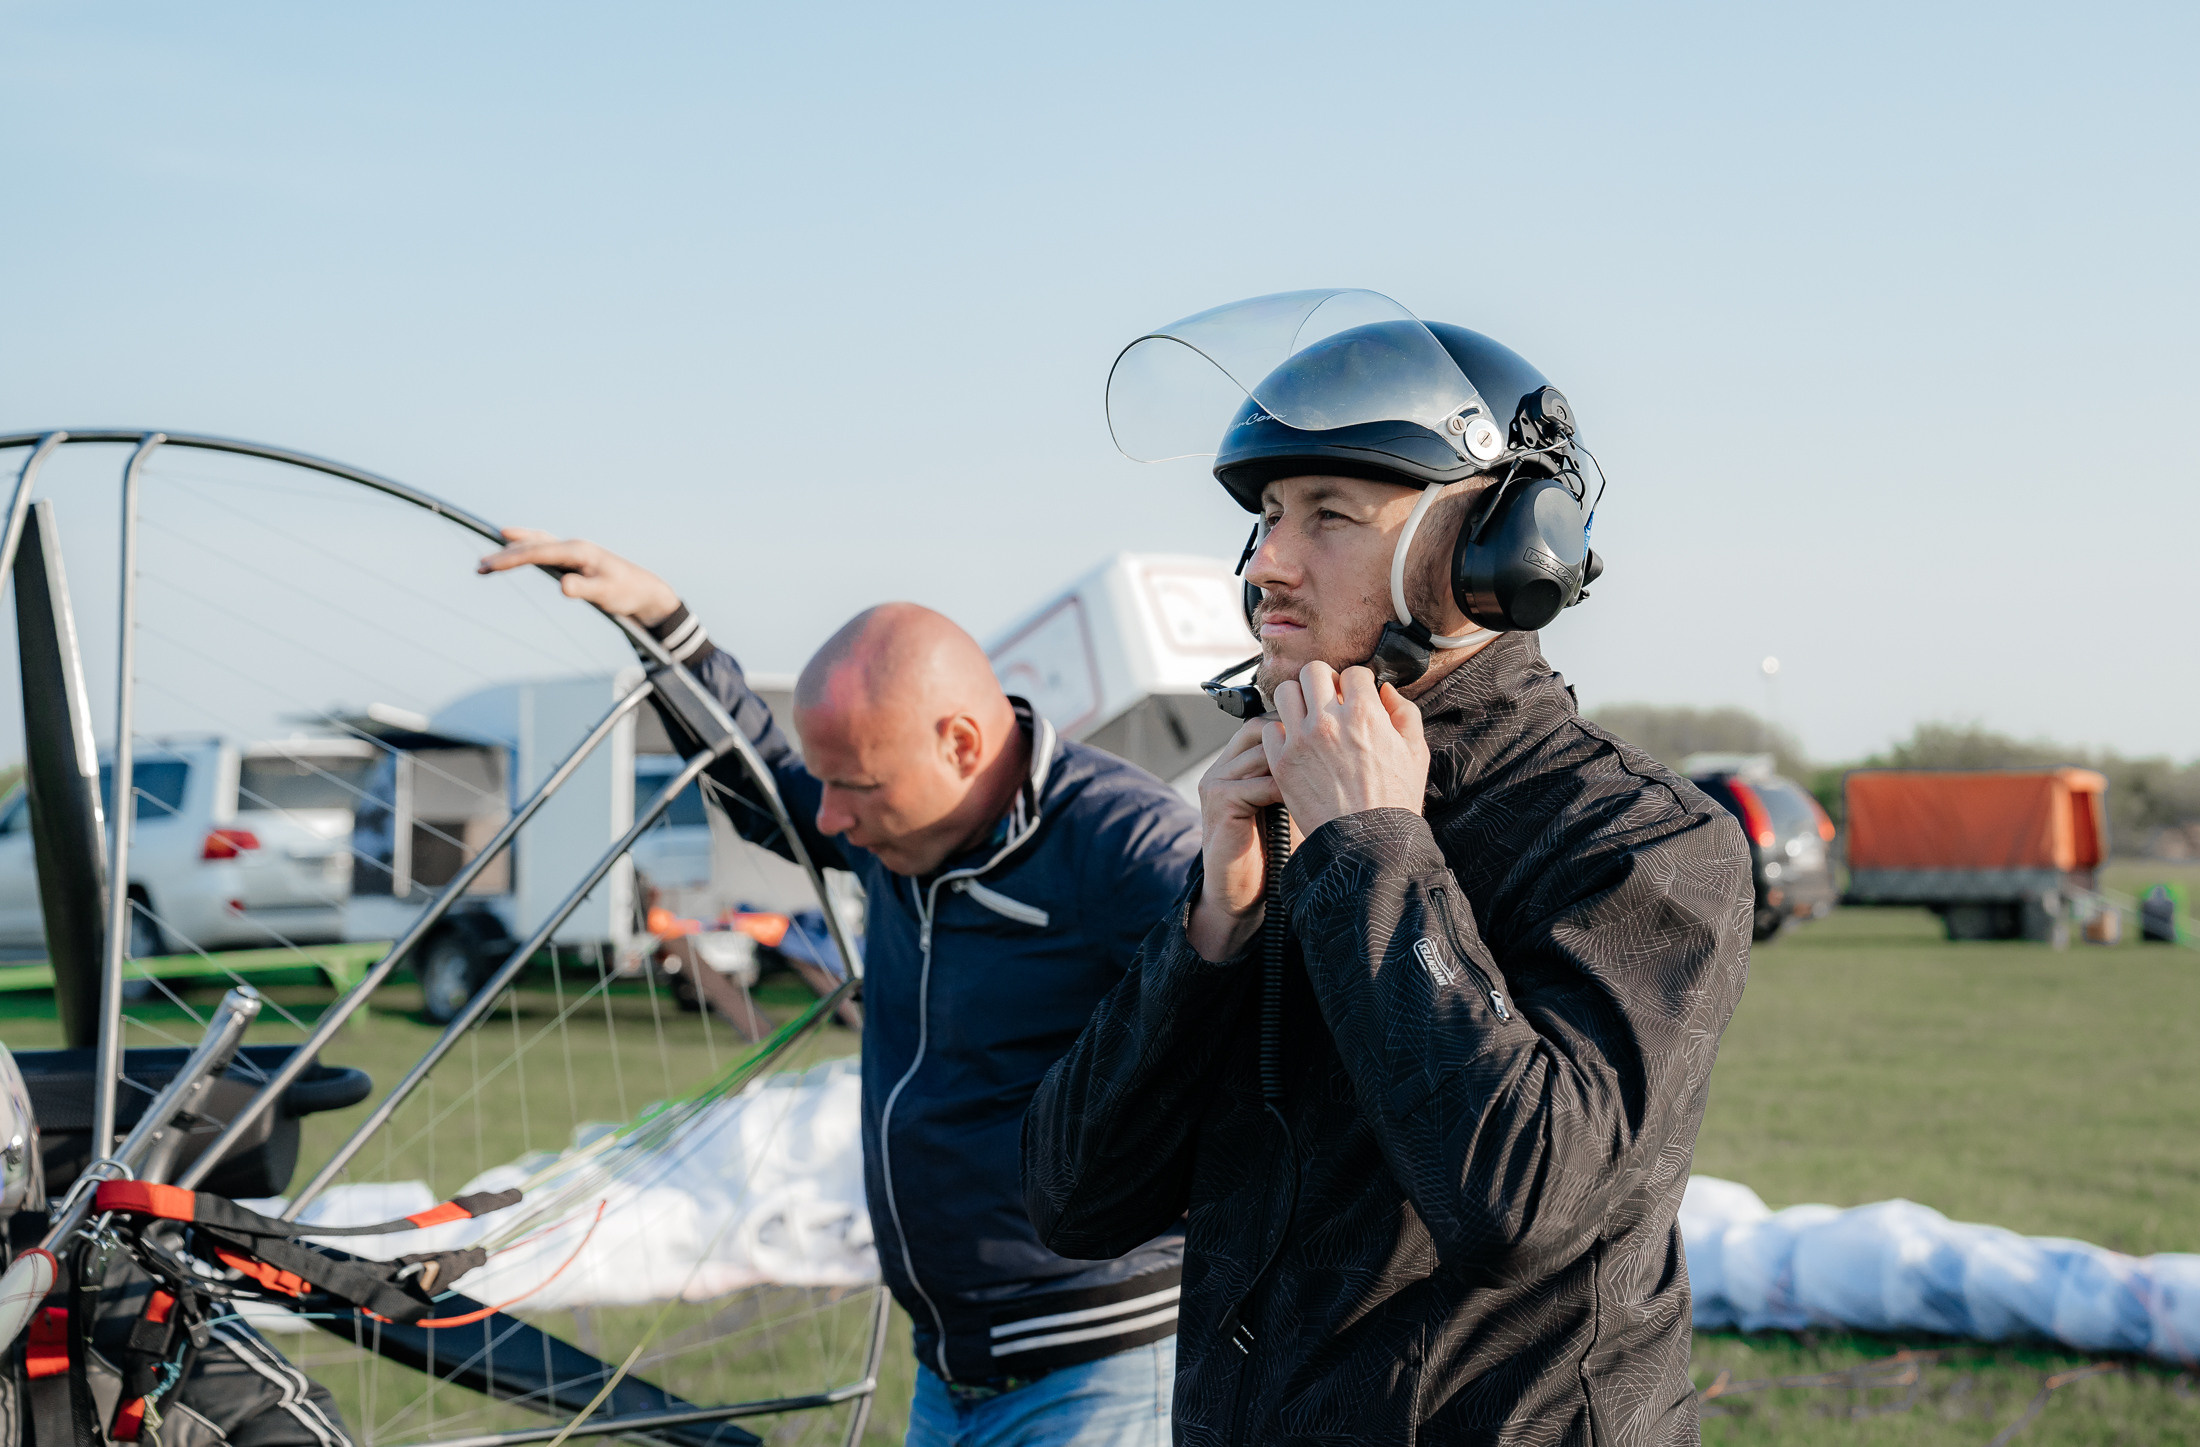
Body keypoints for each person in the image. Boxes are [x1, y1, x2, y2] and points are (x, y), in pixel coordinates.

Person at [1023, 293, 1754, 1444]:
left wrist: (1372, 846)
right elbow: (1072, 1203)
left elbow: (1517, 1206)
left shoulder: (1642, 841)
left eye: (1329, 515)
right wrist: (1212, 929)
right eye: (1268, 515)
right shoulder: (1269, 822)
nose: (1266, 564)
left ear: (1493, 552)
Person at [479, 533, 1197, 1447]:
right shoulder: (903, 824)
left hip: (1105, 1370)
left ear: (961, 744)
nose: (828, 818)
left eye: (852, 786)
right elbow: (763, 789)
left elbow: (1280, 1047)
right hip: (949, 1371)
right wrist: (664, 624)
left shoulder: (1127, 848)